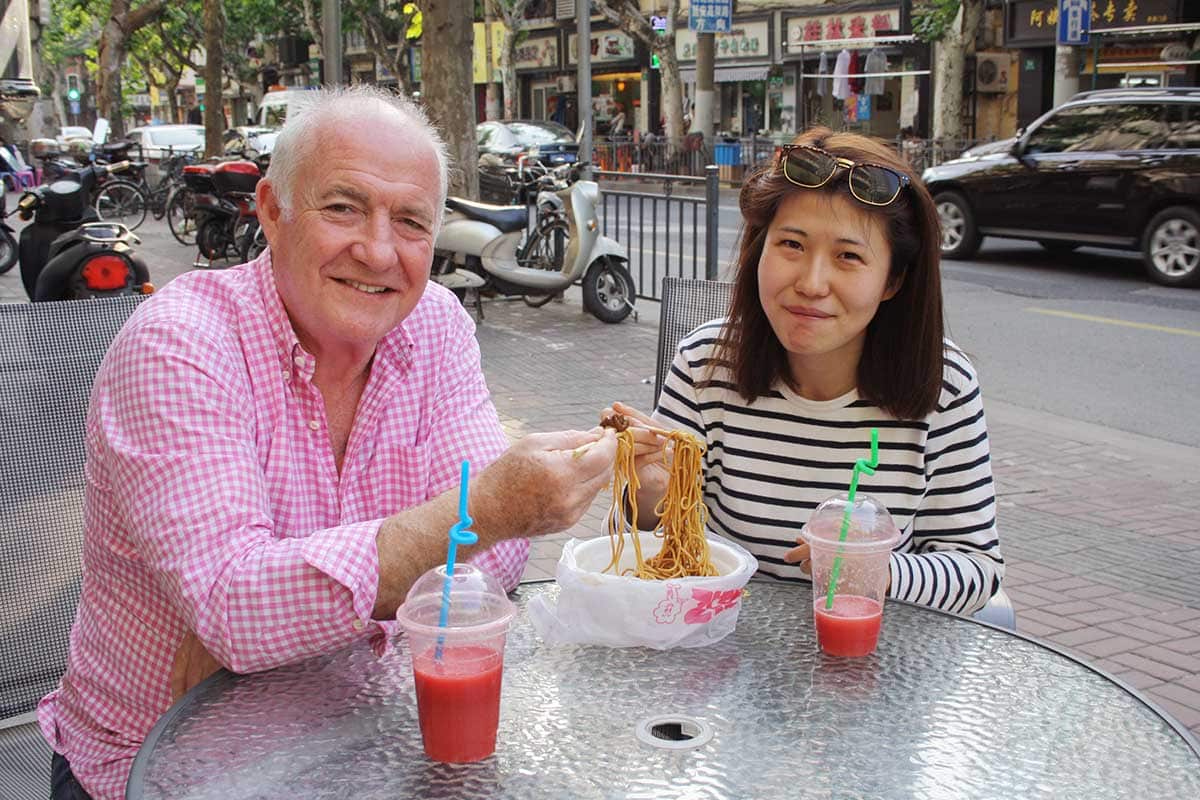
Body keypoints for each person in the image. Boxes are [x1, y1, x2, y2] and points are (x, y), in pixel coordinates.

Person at [39, 86, 618, 800]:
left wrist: (279, 621)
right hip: (163, 764)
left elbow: (493, 566)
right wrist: (470, 517)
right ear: (272, 211)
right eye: (343, 207)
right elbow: (235, 605)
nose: (377, 251)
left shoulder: (433, 323)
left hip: (363, 737)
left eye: (410, 221)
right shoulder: (181, 342)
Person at [607, 127, 1003, 617]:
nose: (812, 284)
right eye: (792, 245)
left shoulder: (944, 385)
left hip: (874, 659)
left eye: (848, 256)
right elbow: (662, 529)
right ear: (760, 251)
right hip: (724, 644)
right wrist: (646, 488)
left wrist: (874, 570)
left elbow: (976, 569)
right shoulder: (707, 363)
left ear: (892, 281)